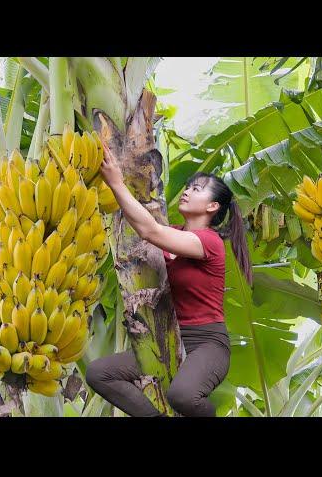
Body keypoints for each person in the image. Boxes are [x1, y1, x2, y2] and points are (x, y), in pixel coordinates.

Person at [85, 143, 253, 417]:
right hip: (166, 338)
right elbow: (141, 223)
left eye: (197, 189)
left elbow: (149, 230)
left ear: (213, 206)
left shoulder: (210, 242)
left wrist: (115, 181)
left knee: (182, 396)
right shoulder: (172, 232)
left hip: (206, 343)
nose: (187, 191)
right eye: (188, 186)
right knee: (99, 373)